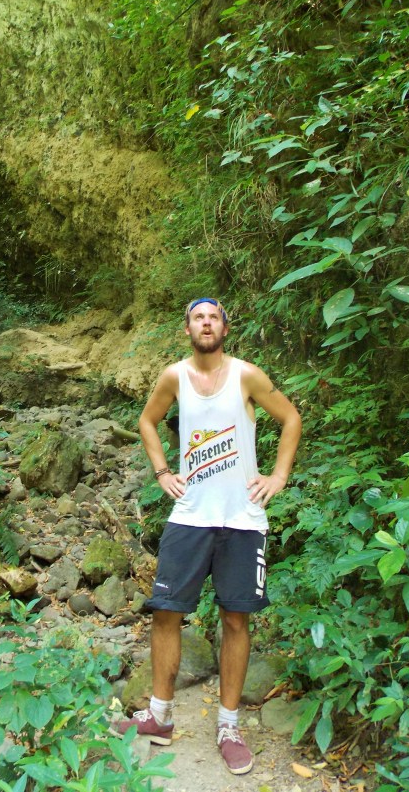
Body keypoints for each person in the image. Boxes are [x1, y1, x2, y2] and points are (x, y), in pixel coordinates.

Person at [115, 297, 301, 775]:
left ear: (224, 327)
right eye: (198, 317)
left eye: (213, 316)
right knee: (166, 612)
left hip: (242, 519)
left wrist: (278, 476)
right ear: (187, 329)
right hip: (190, 516)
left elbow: (291, 418)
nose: (206, 323)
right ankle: (159, 716)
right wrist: (162, 471)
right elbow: (147, 421)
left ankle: (229, 726)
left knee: (236, 620)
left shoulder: (247, 376)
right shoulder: (174, 377)